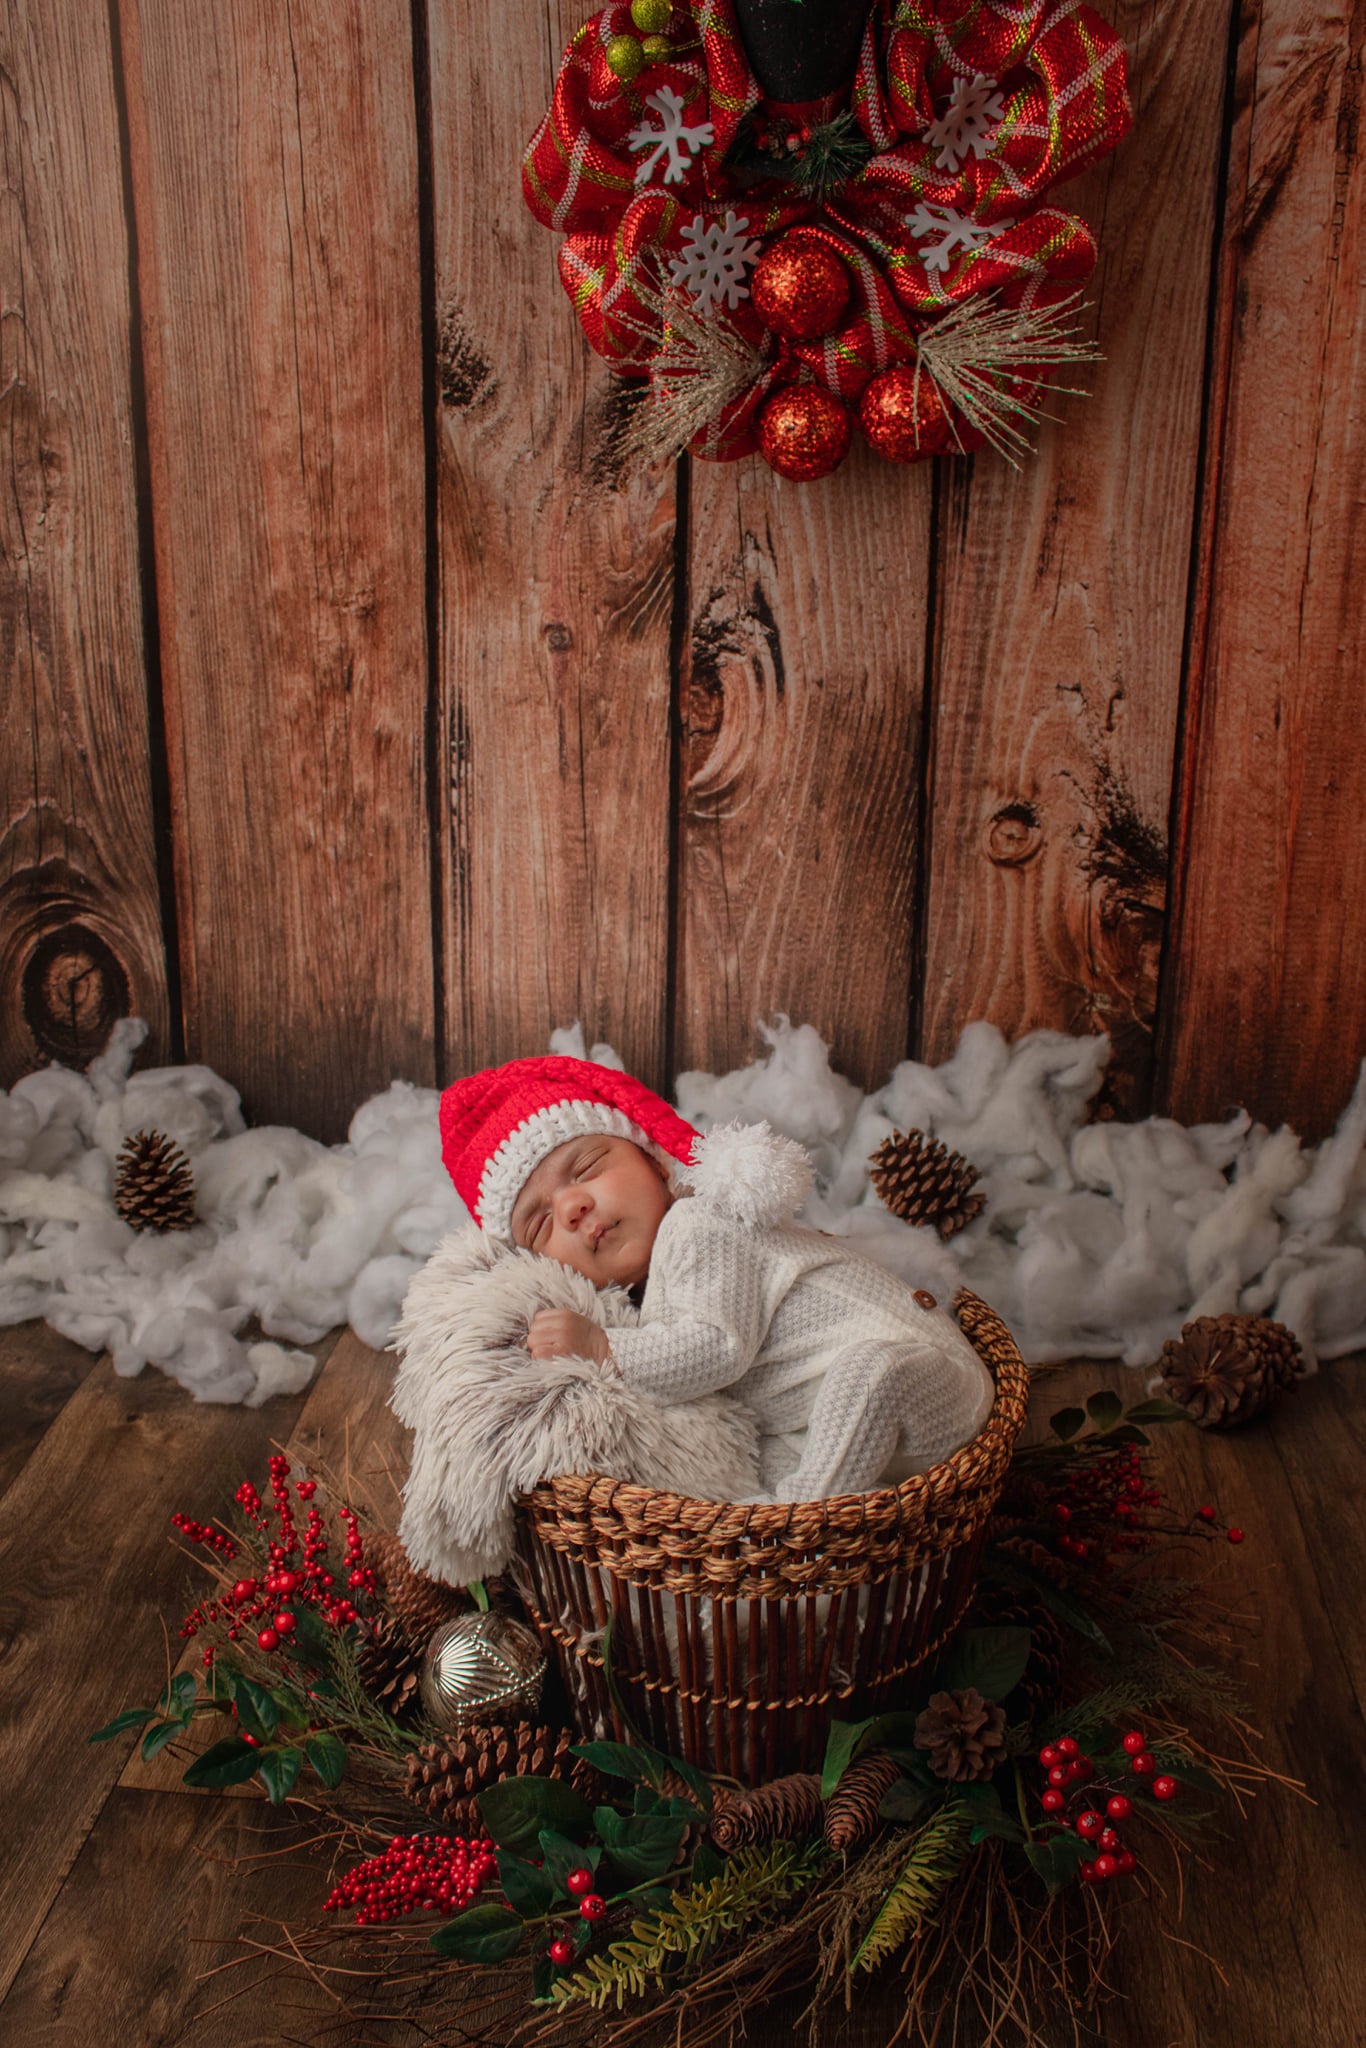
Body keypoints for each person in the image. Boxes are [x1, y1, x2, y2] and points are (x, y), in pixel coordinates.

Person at [438, 1054, 995, 1502]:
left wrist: (601, 1346)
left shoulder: (697, 1223)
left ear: (656, 1164)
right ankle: (796, 1519)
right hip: (848, 1434)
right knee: (761, 1465)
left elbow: (715, 1349)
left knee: (867, 1375)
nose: (573, 1208)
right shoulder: (642, 1287)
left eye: (585, 1169)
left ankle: (800, 1539)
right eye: (540, 1223)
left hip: (931, 1387)